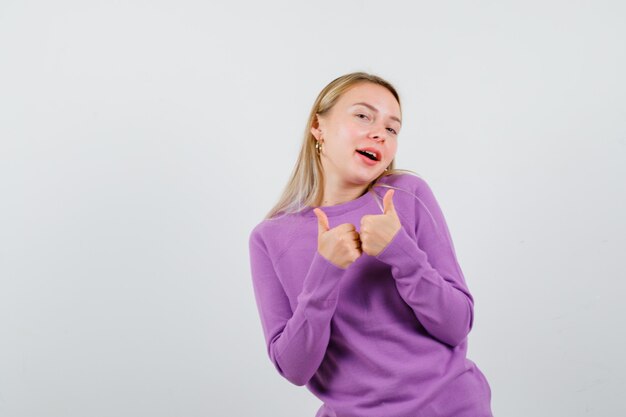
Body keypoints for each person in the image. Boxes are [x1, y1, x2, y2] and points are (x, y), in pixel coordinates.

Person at [248, 72, 493, 417]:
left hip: (450, 408)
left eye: (392, 128)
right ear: (318, 127)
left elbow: (456, 326)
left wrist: (402, 254)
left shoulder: (407, 196)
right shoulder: (270, 238)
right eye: (363, 116)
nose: (380, 132)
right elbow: (294, 368)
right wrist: (325, 273)